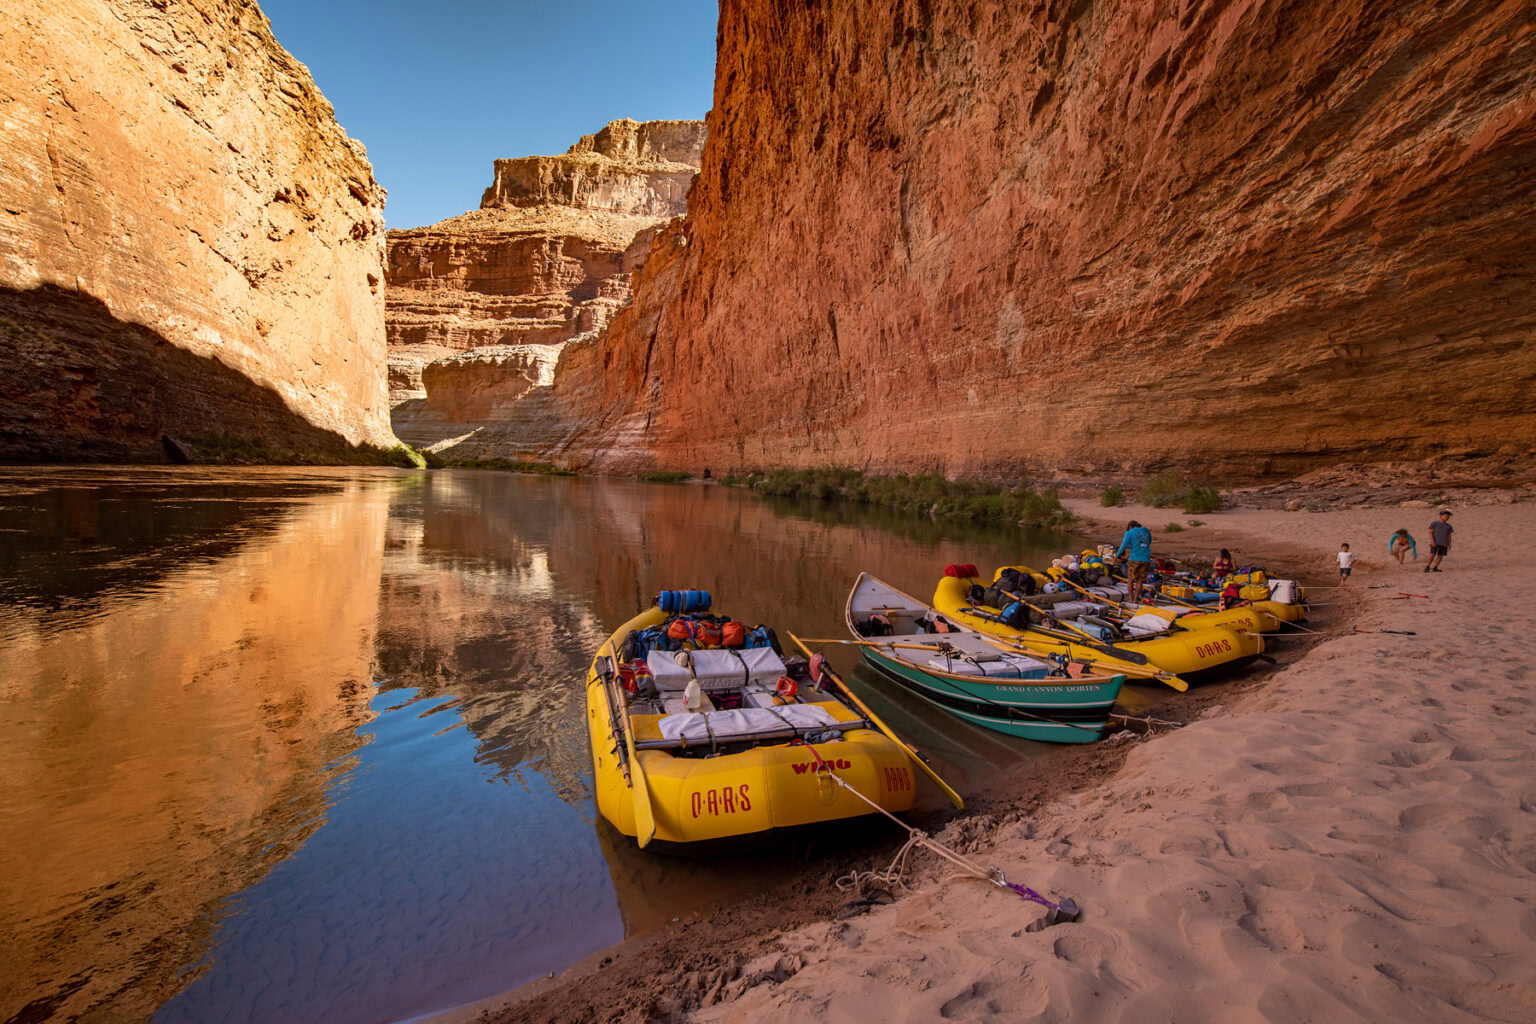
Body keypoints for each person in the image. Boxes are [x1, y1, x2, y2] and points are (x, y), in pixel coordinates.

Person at [1116, 519, 1153, 603]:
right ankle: (1136, 600)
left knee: (1130, 580)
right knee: (1140, 580)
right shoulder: (1147, 531)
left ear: (1130, 527)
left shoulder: (1130, 532)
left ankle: (1130, 599)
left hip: (1134, 559)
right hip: (1145, 559)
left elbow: (1123, 546)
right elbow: (1149, 542)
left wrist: (1116, 556)